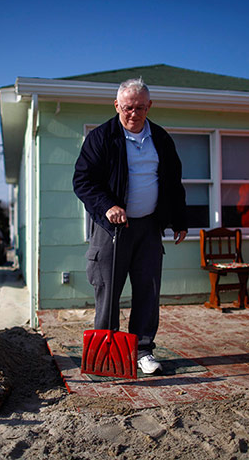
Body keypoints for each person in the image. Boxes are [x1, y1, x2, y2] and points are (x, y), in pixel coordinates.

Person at [73, 78, 188, 375]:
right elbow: (83, 182)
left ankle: (143, 350)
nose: (133, 114)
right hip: (111, 229)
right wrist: (107, 206)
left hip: (149, 227)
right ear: (116, 106)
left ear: (149, 107)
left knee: (148, 291)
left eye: (139, 107)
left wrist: (179, 219)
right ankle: (107, 350)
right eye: (127, 108)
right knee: (108, 289)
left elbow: (174, 183)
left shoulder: (161, 139)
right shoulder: (101, 138)